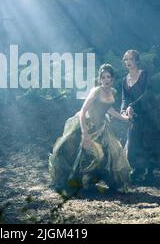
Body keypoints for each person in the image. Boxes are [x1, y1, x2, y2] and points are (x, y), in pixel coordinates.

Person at [49, 64, 132, 194]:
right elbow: (82, 112)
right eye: (103, 77)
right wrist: (85, 134)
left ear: (112, 79)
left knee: (114, 154)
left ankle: (101, 182)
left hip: (102, 127)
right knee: (94, 155)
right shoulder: (96, 91)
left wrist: (124, 118)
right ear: (100, 79)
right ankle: (80, 182)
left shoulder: (113, 91)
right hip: (87, 126)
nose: (106, 80)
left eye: (108, 77)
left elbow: (109, 109)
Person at [120, 50, 160, 182]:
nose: (128, 62)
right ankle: (138, 169)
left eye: (131, 59)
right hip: (136, 116)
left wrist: (132, 105)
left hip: (149, 113)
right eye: (126, 60)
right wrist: (124, 110)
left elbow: (147, 94)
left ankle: (150, 172)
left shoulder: (144, 75)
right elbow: (124, 99)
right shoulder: (124, 80)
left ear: (137, 61)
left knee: (150, 142)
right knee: (134, 143)